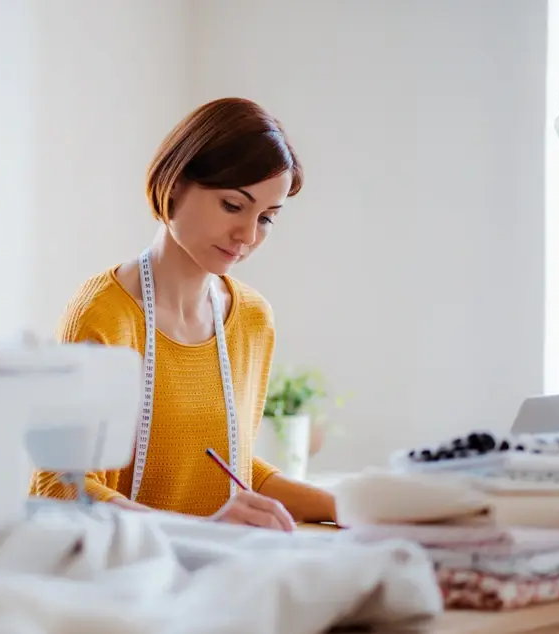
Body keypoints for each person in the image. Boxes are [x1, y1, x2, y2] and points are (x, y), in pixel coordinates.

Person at [29, 97, 337, 531]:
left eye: (267, 218)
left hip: (218, 570)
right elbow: (61, 490)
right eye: (233, 206)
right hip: (125, 580)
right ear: (175, 185)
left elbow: (233, 469)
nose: (247, 235)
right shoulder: (104, 316)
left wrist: (347, 508)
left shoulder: (251, 320)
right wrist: (203, 531)